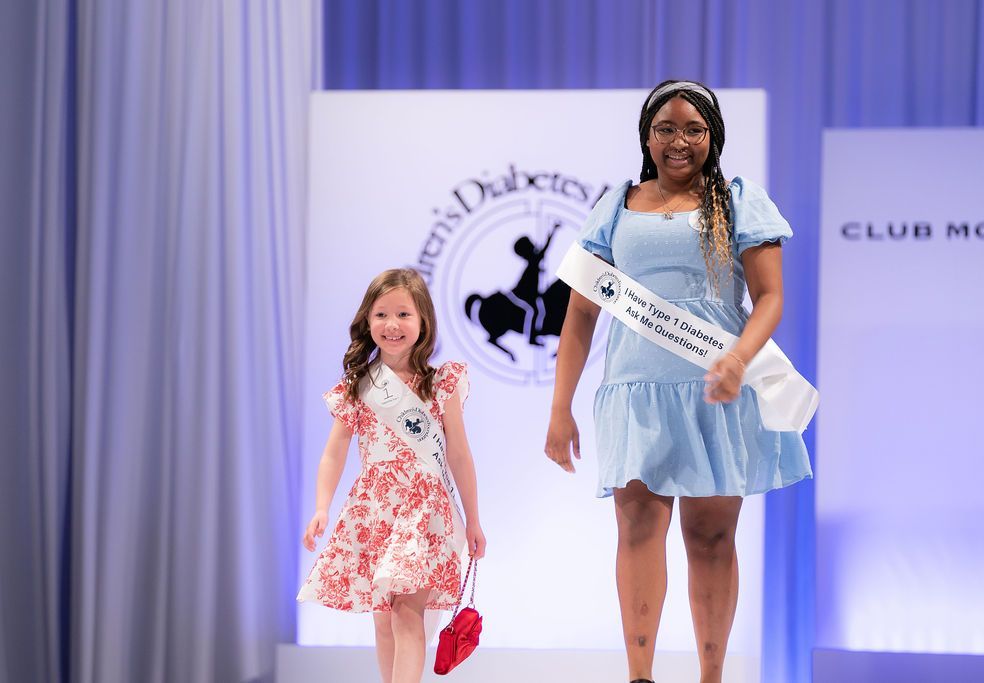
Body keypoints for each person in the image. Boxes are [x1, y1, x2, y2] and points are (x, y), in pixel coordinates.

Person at [544, 80, 812, 683]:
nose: (678, 141)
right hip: (637, 391)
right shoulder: (616, 204)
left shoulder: (738, 202)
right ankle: (640, 676)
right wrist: (560, 407)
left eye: (693, 129)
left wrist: (739, 359)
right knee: (637, 529)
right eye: (665, 128)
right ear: (647, 136)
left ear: (712, 137)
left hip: (716, 389)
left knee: (710, 538)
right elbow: (582, 314)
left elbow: (770, 298)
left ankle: (711, 677)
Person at [298, 268, 486, 683]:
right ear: (368, 321)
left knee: (406, 613)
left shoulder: (442, 383)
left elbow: (459, 454)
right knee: (382, 619)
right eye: (382, 314)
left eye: (404, 314)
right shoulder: (358, 386)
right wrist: (321, 507)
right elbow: (334, 453)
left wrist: (473, 519)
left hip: (424, 510)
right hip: (375, 510)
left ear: (424, 323)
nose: (392, 325)